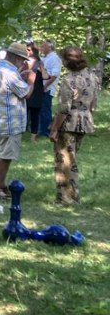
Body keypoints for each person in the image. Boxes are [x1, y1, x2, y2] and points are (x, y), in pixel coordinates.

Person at [0, 42, 36, 199]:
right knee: (5, 156)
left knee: (5, 154)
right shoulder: (10, 72)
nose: (23, 63)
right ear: (15, 57)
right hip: (10, 121)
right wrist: (31, 80)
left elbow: (9, 87)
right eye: (22, 60)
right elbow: (26, 93)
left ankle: (1, 185)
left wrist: (20, 77)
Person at [49, 46, 99, 204]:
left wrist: (54, 129)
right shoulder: (92, 77)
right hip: (84, 122)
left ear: (67, 61)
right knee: (71, 160)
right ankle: (72, 196)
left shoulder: (68, 80)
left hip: (69, 123)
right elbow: (93, 104)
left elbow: (64, 109)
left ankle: (66, 198)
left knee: (64, 162)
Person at [39, 38, 62, 137]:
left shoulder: (54, 58)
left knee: (45, 109)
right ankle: (42, 129)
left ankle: (46, 131)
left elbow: (54, 75)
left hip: (47, 88)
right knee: (41, 109)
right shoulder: (46, 57)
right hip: (42, 87)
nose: (41, 47)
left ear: (50, 47)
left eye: (43, 46)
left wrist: (45, 86)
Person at [25, 43, 46, 142]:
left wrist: (41, 67)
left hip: (37, 90)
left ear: (34, 51)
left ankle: (33, 137)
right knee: (23, 113)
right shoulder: (24, 62)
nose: (27, 51)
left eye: (29, 50)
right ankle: (18, 134)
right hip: (25, 89)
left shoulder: (39, 62)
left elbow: (45, 76)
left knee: (35, 115)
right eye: (26, 49)